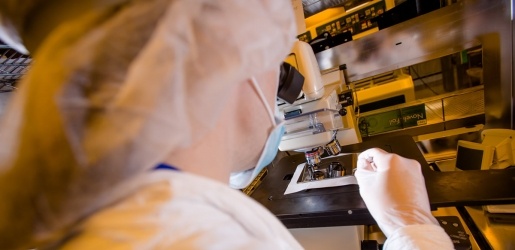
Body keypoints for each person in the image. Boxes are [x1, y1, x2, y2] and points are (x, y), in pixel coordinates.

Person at [0, 0, 453, 249]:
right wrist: (411, 227)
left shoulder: (77, 208)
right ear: (229, 50)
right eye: (276, 60)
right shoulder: (192, 239)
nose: (277, 101)